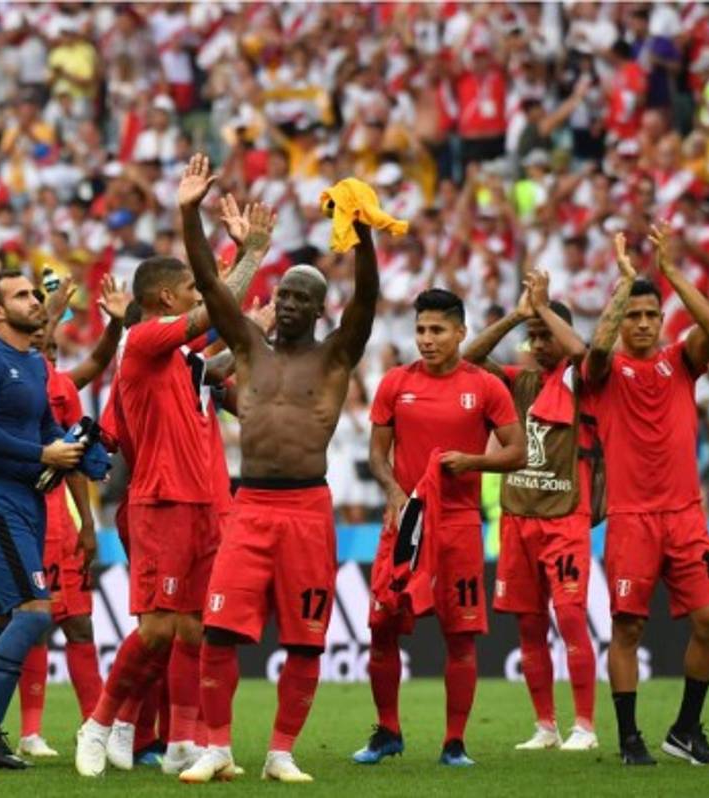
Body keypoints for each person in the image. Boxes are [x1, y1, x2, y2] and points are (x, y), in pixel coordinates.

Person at [75, 154, 275, 779]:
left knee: (195, 629)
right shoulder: (143, 339)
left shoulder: (180, 356)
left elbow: (209, 364)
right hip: (161, 501)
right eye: (190, 287)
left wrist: (252, 325)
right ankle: (101, 722)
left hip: (209, 498)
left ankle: (186, 740)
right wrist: (250, 259)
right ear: (166, 298)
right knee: (160, 631)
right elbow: (214, 308)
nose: (200, 291)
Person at [176, 181, 379, 780]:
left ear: (319, 310)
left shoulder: (337, 355)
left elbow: (366, 297)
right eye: (283, 293)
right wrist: (189, 213)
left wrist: (363, 233)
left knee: (306, 641)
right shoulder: (248, 348)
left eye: (300, 297)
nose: (286, 303)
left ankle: (280, 752)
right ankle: (217, 748)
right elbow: (212, 286)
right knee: (218, 631)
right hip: (251, 505)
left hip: (309, 511)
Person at [357, 287, 526, 767]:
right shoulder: (394, 382)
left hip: (459, 524)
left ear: (460, 333)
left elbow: (518, 452)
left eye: (437, 330)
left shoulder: (486, 387)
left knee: (460, 635)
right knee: (382, 627)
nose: (427, 340)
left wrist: (472, 460)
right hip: (407, 521)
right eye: (420, 330)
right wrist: (393, 492)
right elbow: (376, 453)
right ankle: (387, 731)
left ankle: (455, 742)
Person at [585, 226, 709, 766]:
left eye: (651, 315)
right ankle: (628, 738)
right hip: (631, 518)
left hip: (686, 515)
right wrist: (623, 284)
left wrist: (667, 271)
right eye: (633, 316)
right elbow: (597, 346)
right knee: (628, 626)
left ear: (661, 319)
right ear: (622, 318)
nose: (643, 324)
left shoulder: (681, 362)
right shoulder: (604, 372)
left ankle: (686, 730)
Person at [0, 270, 92, 770]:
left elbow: (48, 428)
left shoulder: (35, 364)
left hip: (29, 502)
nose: (35, 300)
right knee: (36, 611)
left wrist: (81, 452)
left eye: (36, 294)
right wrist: (43, 453)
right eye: (22, 295)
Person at [463, 271, 599, 752]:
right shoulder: (517, 383)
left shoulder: (584, 382)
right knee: (528, 624)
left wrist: (544, 309)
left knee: (571, 616)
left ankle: (584, 724)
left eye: (546, 336)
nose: (538, 344)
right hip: (518, 517)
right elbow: (468, 358)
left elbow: (582, 352)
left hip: (565, 518)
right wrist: (517, 315)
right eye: (533, 338)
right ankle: (546, 725)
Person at [17, 273, 128, 758]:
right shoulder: (1, 382)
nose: (50, 357)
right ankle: (12, 728)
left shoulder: (61, 386)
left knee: (78, 624)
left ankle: (92, 727)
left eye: (55, 352)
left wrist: (86, 522)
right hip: (18, 517)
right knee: (23, 623)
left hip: (58, 521)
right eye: (42, 347)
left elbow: (77, 458)